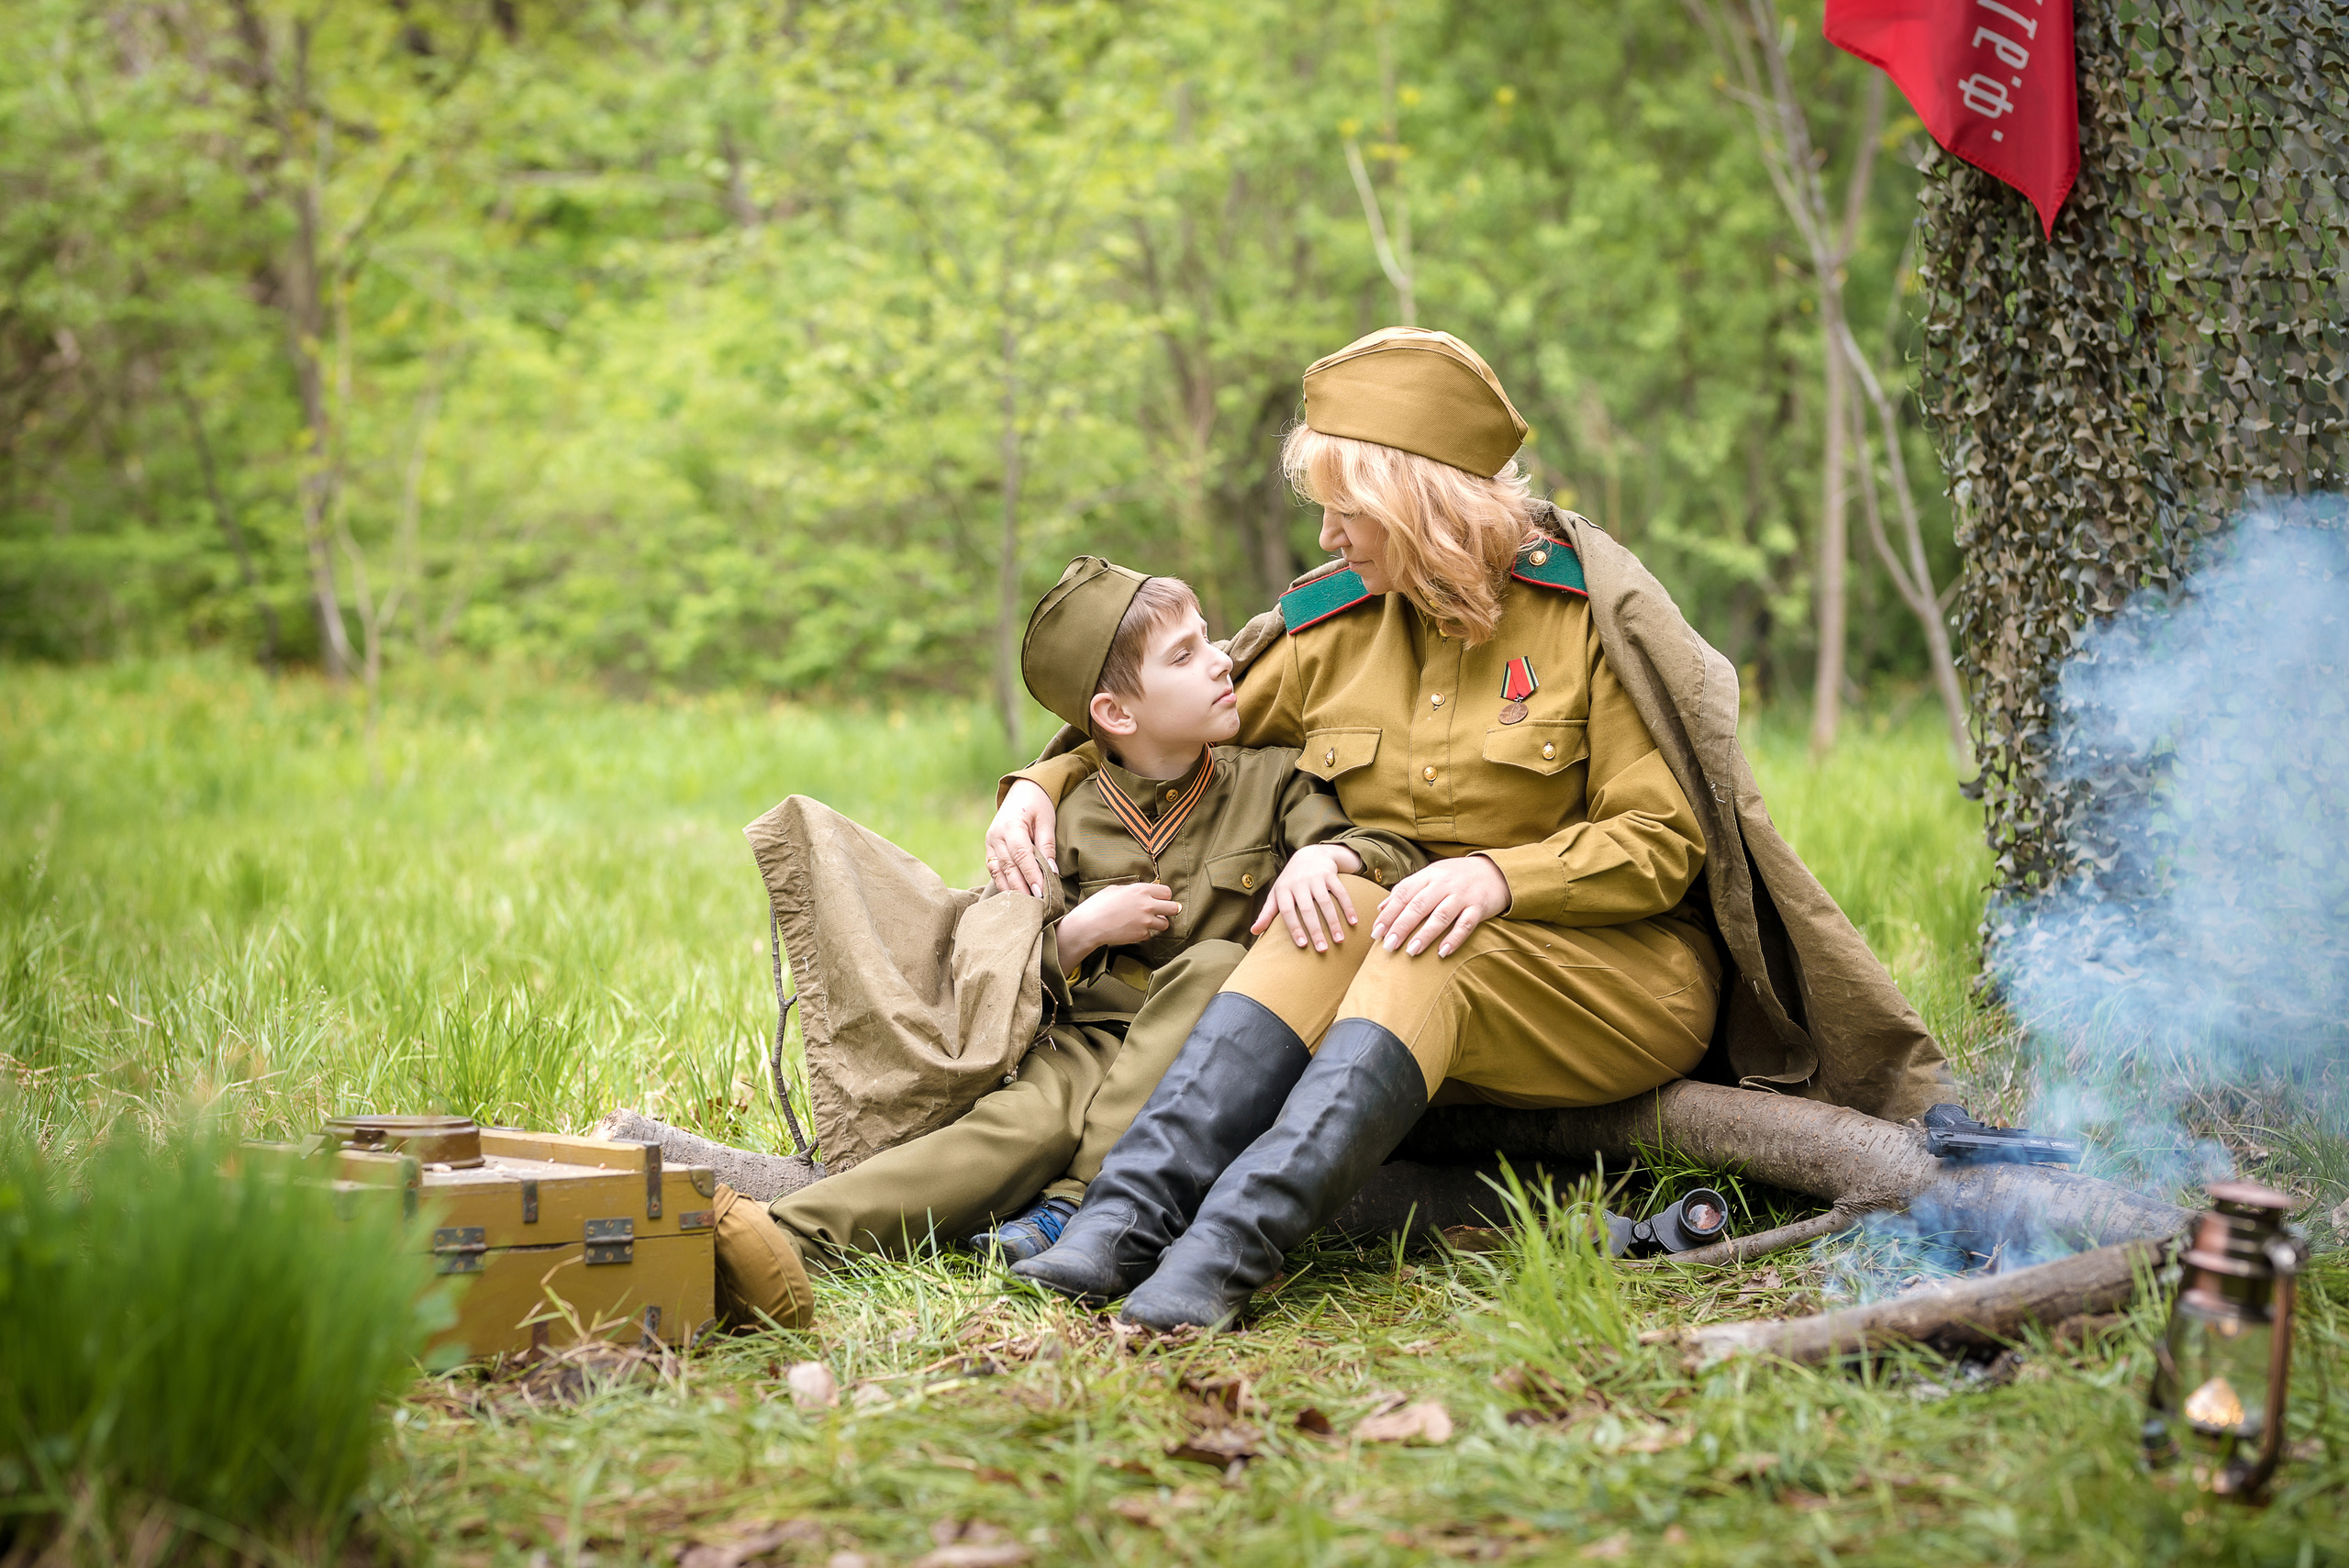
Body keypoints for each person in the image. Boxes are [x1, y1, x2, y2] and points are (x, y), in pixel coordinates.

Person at [989, 328, 1738, 1330]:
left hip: (1609, 975)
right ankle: (1128, 1214)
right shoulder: (1332, 630)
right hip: (1389, 962)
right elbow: (1166, 723)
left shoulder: (1582, 621)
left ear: (1417, 509)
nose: (1328, 541)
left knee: (1420, 939)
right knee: (1332, 905)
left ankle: (1227, 1248)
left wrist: (1498, 879)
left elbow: (1660, 842)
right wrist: (1040, 780)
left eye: (1347, 515)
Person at [725, 556, 1422, 1323]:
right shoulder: (1068, 815)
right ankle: (778, 1233)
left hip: (1212, 1050)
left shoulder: (1273, 779)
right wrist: (1082, 930)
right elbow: (1003, 953)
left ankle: (1074, 1206)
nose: (1221, 661)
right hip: (1087, 1037)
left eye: (1205, 639)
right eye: (1185, 655)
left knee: (1216, 962)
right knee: (1013, 1126)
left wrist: (1332, 855)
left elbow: (1378, 845)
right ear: (1116, 715)